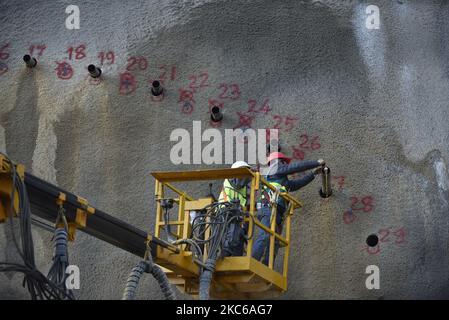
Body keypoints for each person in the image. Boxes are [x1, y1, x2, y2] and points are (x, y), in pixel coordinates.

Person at [252, 152, 324, 265]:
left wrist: (312, 174)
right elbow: (294, 167)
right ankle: (253, 262)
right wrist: (316, 163)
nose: (284, 164)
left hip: (276, 212)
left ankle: (266, 266)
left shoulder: (280, 180)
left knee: (274, 241)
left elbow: (296, 184)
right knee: (265, 236)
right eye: (282, 161)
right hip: (268, 209)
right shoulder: (273, 169)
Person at [218, 161, 252, 257]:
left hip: (237, 215)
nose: (245, 178)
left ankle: (235, 256)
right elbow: (228, 200)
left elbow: (246, 205)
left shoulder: (245, 189)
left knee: (239, 234)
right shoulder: (228, 182)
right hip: (224, 212)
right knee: (230, 232)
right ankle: (225, 252)